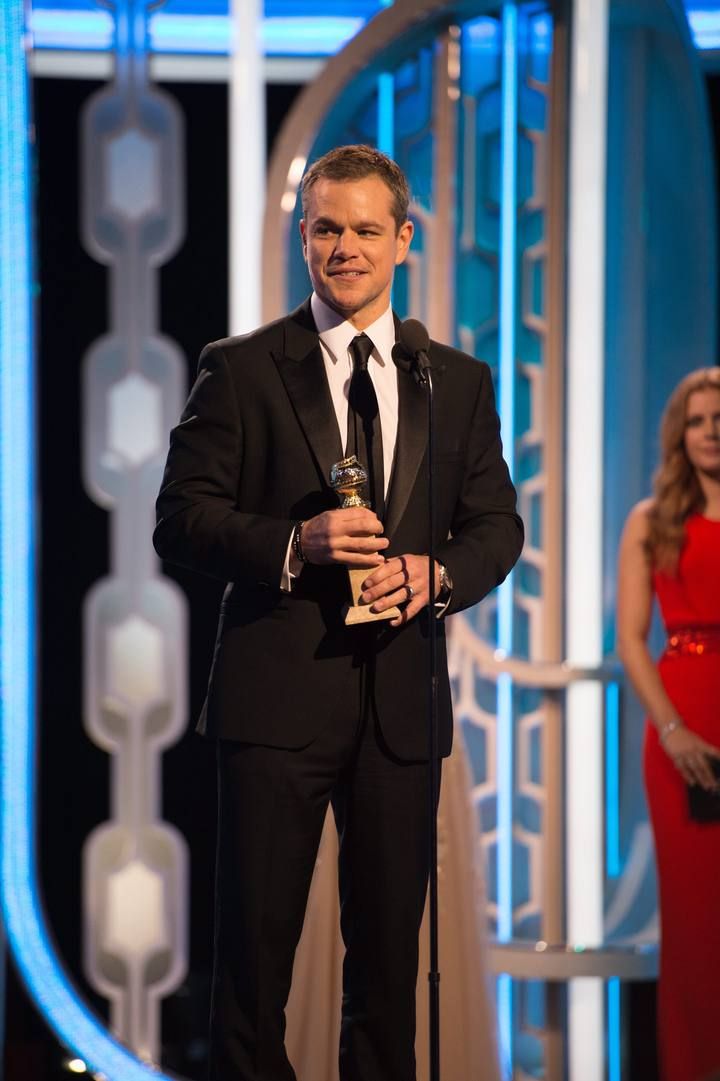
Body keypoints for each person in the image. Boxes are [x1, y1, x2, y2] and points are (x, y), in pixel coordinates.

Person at [154, 144, 523, 1081]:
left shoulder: (456, 379)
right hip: (275, 705)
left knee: (389, 980)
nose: (344, 247)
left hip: (401, 708)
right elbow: (180, 520)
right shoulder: (239, 368)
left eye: (366, 229)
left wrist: (435, 574)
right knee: (252, 976)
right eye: (326, 228)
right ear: (303, 237)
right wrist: (294, 544)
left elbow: (498, 526)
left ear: (403, 238)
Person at [617, 367, 720, 1081]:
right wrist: (675, 728)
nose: (711, 430)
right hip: (684, 724)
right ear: (679, 434)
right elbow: (629, 638)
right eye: (698, 419)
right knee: (694, 923)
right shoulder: (651, 519)